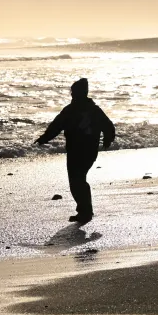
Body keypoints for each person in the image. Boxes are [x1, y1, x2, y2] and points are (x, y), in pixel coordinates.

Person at [35, 78, 115, 224]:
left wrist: (44, 138)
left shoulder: (71, 110)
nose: (71, 95)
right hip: (90, 151)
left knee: (76, 181)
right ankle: (85, 211)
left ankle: (85, 212)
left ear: (79, 93)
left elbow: (56, 126)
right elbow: (108, 126)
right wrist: (108, 139)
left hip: (76, 151)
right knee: (79, 180)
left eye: (73, 92)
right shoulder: (94, 110)